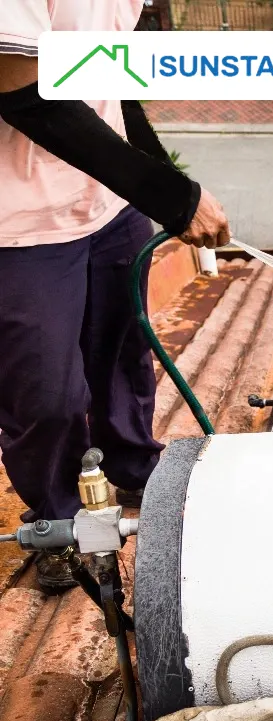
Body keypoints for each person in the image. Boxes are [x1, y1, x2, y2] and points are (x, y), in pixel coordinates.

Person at [0, 0, 230, 592]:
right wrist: (169, 194)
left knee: (126, 360)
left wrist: (165, 178)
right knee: (45, 395)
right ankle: (55, 518)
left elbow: (109, 77)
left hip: (108, 208)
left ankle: (133, 468)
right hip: (17, 226)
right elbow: (21, 89)